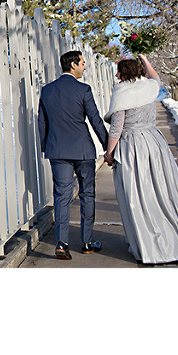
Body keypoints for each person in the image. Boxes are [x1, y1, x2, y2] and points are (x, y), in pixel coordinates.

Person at [103, 55, 178, 264]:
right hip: (154, 142)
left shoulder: (122, 92)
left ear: (125, 73)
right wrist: (145, 59)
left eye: (119, 71)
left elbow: (117, 127)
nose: (116, 75)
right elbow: (156, 77)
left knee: (138, 195)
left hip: (133, 146)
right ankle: (177, 241)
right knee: (161, 191)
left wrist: (109, 153)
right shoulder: (150, 86)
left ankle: (150, 246)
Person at [38, 50, 109, 260]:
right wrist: (108, 147)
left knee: (62, 195)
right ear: (73, 65)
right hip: (82, 150)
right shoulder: (83, 89)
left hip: (57, 149)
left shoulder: (47, 90)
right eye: (83, 63)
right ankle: (87, 242)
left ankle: (61, 243)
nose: (85, 67)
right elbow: (95, 119)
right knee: (87, 194)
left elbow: (43, 122)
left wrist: (46, 146)